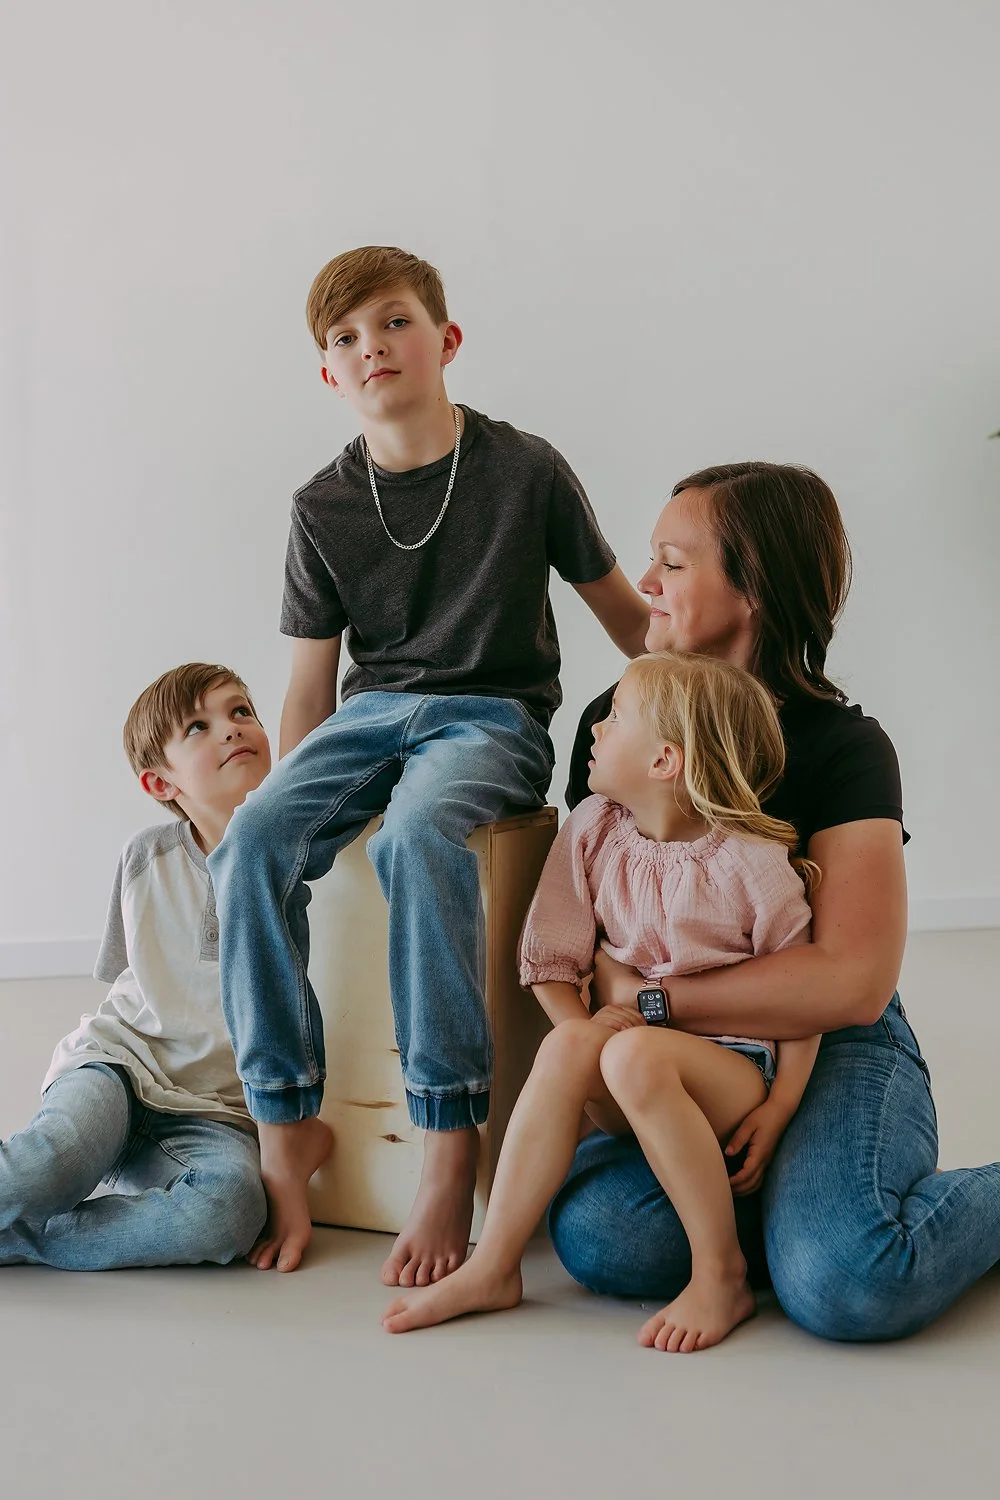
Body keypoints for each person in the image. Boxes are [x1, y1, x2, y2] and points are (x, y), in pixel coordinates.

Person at [207, 245, 649, 1281]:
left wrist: (728, 683)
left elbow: (627, 616)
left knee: (417, 834)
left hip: (490, 717)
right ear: (330, 374)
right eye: (346, 338)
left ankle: (449, 1145)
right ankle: (283, 1128)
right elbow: (312, 691)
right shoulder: (322, 506)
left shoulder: (525, 468)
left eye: (394, 322)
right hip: (371, 717)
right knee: (253, 843)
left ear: (445, 340)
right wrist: (271, 798)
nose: (373, 348)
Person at [548, 461, 1000, 1342]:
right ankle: (793, 1221)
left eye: (673, 563)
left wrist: (655, 1003)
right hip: (681, 1057)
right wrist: (626, 1017)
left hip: (825, 1041)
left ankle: (818, 1231)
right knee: (602, 1236)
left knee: (849, 1284)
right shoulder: (619, 716)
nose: (643, 584)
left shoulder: (845, 747)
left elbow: (852, 982)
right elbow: (592, 914)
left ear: (752, 585)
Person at [382, 651, 820, 1349]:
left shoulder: (747, 863)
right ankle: (494, 1264)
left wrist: (783, 1102)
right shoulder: (592, 831)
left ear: (665, 761)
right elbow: (552, 964)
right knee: (573, 1045)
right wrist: (588, 1033)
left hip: (729, 1072)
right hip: (626, 1060)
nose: (596, 729)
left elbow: (805, 998)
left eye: (615, 717)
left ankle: (722, 1273)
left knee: (637, 1058)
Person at [0, 664, 269, 1269]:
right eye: (199, 726)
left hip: (217, 1114)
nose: (230, 729)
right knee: (48, 1165)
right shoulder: (145, 858)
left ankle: (20, 1240)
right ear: (159, 784)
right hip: (119, 1065)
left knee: (230, 1213)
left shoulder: (310, 865)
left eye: (241, 712)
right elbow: (127, 977)